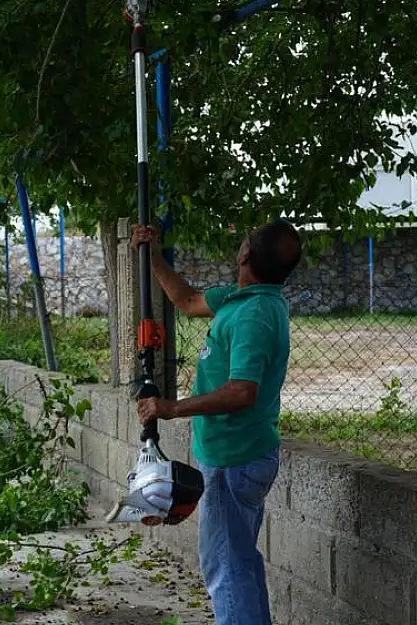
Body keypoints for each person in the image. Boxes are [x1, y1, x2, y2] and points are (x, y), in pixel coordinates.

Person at [131, 218, 301, 625]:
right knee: (239, 561)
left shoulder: (253, 315)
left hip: (233, 460)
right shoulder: (246, 299)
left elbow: (243, 392)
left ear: (244, 255)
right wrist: (153, 258)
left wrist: (170, 408)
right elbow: (187, 301)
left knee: (226, 568)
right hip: (236, 455)